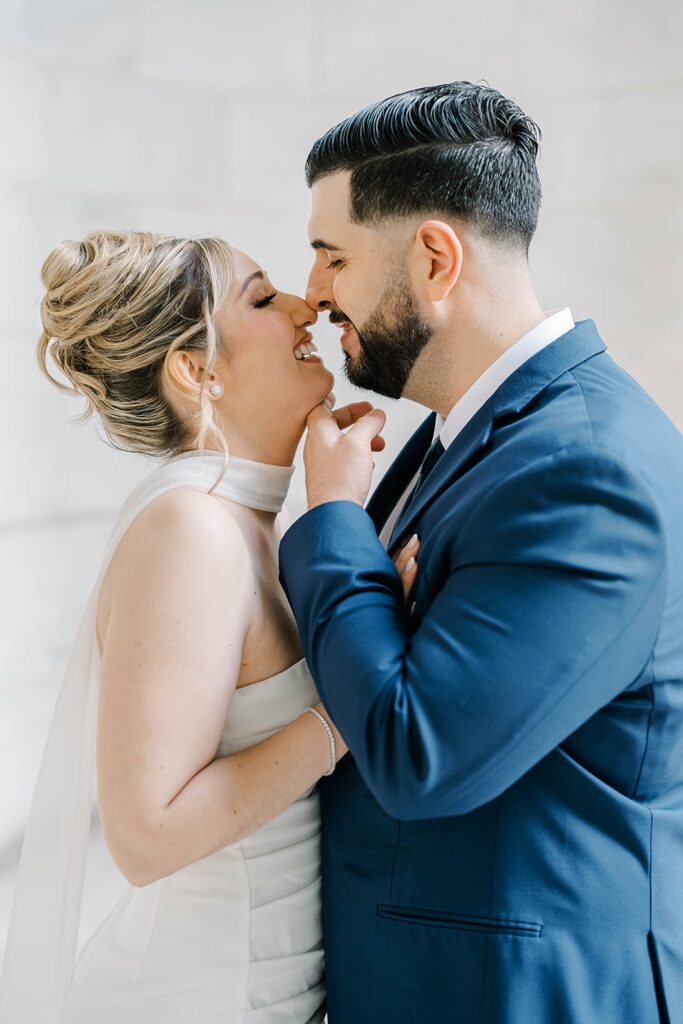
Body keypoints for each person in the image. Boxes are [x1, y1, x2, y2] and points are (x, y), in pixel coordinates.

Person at [278, 81, 683, 1023]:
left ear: (432, 258)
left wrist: (332, 516)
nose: (312, 295)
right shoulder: (468, 433)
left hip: (515, 994)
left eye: (331, 256)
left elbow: (422, 755)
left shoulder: (584, 468)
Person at [0, 229, 370, 1023]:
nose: (306, 308)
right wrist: (350, 713)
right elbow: (146, 835)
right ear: (197, 370)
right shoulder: (192, 532)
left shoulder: (246, 522)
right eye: (264, 300)